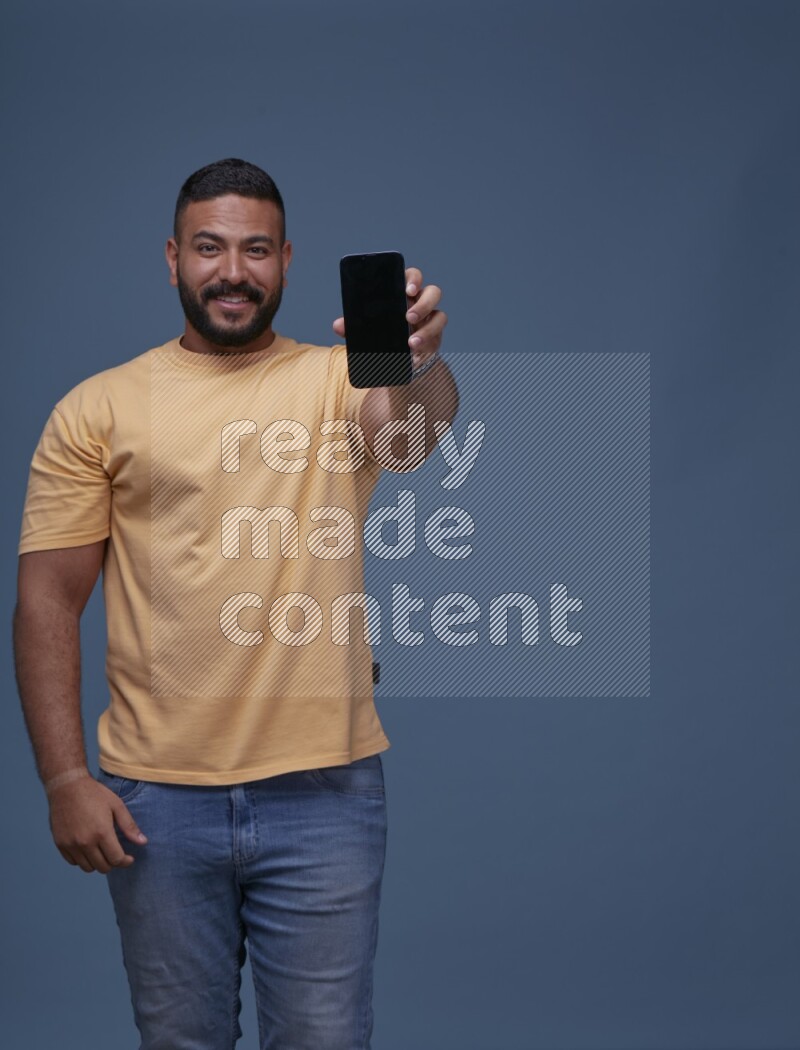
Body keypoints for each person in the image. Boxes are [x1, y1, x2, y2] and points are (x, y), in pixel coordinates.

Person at [13, 157, 458, 1050]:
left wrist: (421, 365)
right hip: (157, 800)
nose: (232, 270)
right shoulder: (96, 408)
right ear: (172, 257)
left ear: (287, 261)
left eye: (256, 249)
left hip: (324, 793)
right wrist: (64, 779)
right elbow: (47, 602)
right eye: (210, 247)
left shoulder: (337, 380)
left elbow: (407, 439)